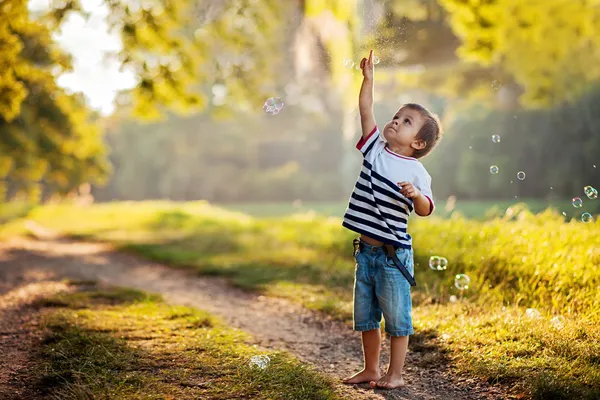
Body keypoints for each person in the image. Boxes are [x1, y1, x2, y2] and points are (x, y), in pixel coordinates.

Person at [342, 50, 442, 390]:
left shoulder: (416, 171)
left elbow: (427, 208)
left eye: (406, 121)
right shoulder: (374, 148)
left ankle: (395, 374)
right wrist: (368, 81)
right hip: (365, 254)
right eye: (397, 116)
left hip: (392, 257)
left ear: (418, 142)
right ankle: (371, 369)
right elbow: (366, 110)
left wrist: (415, 194)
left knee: (398, 321)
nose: (396, 121)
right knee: (367, 318)